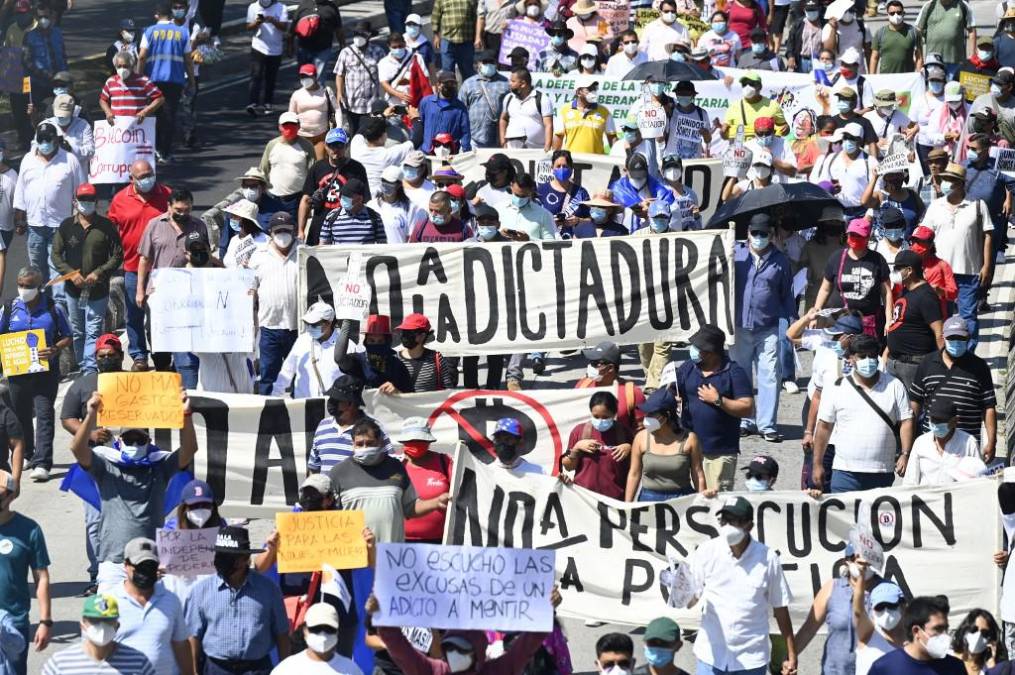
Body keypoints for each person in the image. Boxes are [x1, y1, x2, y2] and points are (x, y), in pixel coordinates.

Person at [71, 388, 197, 591]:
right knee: (107, 621)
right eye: (130, 440)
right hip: (114, 563)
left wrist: (186, 416)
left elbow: (189, 450)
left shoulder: (160, 467)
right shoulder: (106, 467)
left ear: (149, 442)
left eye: (140, 440)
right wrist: (91, 414)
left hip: (150, 560)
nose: (135, 444)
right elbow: (77, 449)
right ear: (120, 442)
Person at [687, 496, 797, 675]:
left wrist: (791, 654)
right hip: (711, 657)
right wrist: (680, 591)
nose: (728, 526)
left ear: (749, 526)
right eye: (725, 520)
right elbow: (691, 599)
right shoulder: (707, 552)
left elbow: (780, 609)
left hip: (750, 660)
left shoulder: (768, 559)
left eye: (735, 521)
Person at [812, 333, 913, 493]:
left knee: (875, 518)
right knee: (842, 518)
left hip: (882, 472)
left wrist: (905, 453)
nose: (868, 361)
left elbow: (906, 421)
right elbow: (824, 427)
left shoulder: (894, 385)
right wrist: (817, 464)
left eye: (872, 356)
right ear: (851, 359)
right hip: (845, 472)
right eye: (862, 356)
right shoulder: (837, 387)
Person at [185, 526, 291, 675]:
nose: (221, 561)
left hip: (256, 668)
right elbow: (193, 636)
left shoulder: (269, 590)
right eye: (219, 555)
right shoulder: (201, 591)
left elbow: (282, 633)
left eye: (229, 558)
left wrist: (286, 670)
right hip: (216, 669)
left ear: (244, 560)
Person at [0, 266, 73, 483]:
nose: (24, 290)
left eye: (29, 286)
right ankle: (28, 454)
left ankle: (43, 462)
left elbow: (67, 335)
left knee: (44, 413)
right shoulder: (10, 308)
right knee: (21, 414)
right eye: (21, 285)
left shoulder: (53, 308)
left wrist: (55, 349)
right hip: (18, 371)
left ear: (39, 287)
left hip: (45, 371)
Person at [330, 418, 447, 543]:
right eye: (359, 444)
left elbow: (410, 508)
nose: (364, 448)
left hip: (392, 555)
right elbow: (327, 516)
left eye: (370, 443)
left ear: (380, 442)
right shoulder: (338, 473)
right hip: (355, 556)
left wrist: (436, 502)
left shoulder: (396, 467)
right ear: (352, 444)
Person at [732, 213, 795, 443]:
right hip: (739, 326)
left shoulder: (781, 260)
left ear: (771, 235)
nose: (758, 237)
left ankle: (767, 425)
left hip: (768, 327)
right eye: (754, 233)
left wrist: (793, 322)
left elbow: (786, 294)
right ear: (748, 233)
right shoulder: (736, 255)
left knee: (770, 376)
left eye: (763, 234)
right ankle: (745, 420)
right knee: (741, 375)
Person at [50, 184, 123, 375]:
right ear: (75, 202)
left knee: (93, 330)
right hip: (73, 291)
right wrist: (71, 274)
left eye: (90, 200)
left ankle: (90, 369)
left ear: (96, 202)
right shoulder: (66, 226)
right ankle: (84, 365)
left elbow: (117, 255)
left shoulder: (106, 227)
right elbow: (56, 255)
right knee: (78, 330)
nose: (86, 204)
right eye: (82, 200)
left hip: (98, 290)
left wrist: (99, 273)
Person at [920, 162, 992, 350]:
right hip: (940, 275)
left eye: (950, 180)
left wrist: (987, 266)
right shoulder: (935, 206)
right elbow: (924, 235)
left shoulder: (977, 205)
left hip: (969, 272)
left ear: (960, 184)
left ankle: (967, 354)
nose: (945, 183)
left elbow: (988, 236)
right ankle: (945, 353)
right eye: (944, 179)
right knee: (941, 317)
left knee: (967, 316)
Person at [107, 160, 171, 371]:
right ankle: (139, 356)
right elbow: (111, 231)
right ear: (131, 179)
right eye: (142, 176)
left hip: (163, 269)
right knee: (134, 315)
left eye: (149, 174)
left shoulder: (167, 195)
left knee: (161, 315)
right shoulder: (119, 200)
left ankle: (162, 354)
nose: (147, 179)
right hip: (133, 268)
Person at [674, 325, 755, 491]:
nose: (693, 351)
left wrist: (718, 400)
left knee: (715, 503)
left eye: (699, 348)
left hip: (718, 452)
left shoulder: (734, 372)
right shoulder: (688, 367)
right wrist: (672, 397)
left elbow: (747, 408)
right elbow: (672, 389)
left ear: (711, 352)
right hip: (688, 448)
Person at [136, 189, 209, 371]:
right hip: (159, 293)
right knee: (157, 335)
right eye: (178, 210)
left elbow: (206, 258)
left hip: (189, 294)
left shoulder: (199, 226)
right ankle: (163, 368)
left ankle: (182, 371)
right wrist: (140, 290)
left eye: (187, 210)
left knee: (185, 338)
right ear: (169, 206)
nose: (183, 214)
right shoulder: (154, 225)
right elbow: (144, 259)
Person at [13, 122, 86, 302]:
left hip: (60, 228)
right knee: (37, 271)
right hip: (35, 227)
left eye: (48, 139)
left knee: (58, 273)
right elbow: (21, 191)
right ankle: (42, 309)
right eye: (41, 139)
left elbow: (81, 194)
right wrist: (19, 219)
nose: (44, 143)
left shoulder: (70, 161)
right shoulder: (28, 160)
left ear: (56, 140)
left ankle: (59, 312)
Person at [909, 315, 996, 460]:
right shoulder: (927, 363)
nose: (956, 342)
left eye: (960, 339)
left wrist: (992, 442)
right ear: (943, 337)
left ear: (968, 338)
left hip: (967, 446)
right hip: (931, 445)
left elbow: (988, 407)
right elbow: (915, 404)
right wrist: (909, 444)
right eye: (952, 338)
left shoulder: (979, 367)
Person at [108, 538, 192, 675]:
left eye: (150, 566)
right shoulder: (109, 601)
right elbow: (95, 649)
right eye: (140, 567)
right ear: (126, 566)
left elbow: (181, 644)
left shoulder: (171, 600)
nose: (145, 572)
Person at [0, 469, 51, 675]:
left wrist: (45, 621)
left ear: (11, 495)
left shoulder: (29, 530)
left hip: (13, 622)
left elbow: (41, 578)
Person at [813, 218, 892, 338]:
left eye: (859, 235)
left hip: (869, 323)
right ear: (847, 235)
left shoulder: (878, 260)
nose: (855, 238)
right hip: (840, 322)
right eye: (852, 234)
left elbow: (886, 293)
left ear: (867, 237)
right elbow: (825, 289)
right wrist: (816, 313)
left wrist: (889, 319)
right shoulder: (836, 258)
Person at [249, 212, 300, 394]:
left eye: (287, 230)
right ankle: (267, 414)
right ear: (270, 232)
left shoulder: (305, 253)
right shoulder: (258, 256)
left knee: (299, 376)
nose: (283, 234)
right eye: (279, 231)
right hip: (269, 327)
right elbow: (250, 291)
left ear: (294, 230)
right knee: (268, 375)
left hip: (298, 328)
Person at [625, 388, 705, 501]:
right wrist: (627, 506)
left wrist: (703, 503)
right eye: (646, 413)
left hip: (681, 500)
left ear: (666, 416)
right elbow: (634, 474)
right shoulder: (640, 438)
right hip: (649, 499)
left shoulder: (690, 439)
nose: (646, 417)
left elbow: (698, 473)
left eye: (652, 414)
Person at [42, 594, 155, 675]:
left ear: (117, 625)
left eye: (108, 621)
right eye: (95, 621)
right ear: (83, 624)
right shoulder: (60, 664)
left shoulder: (138, 663)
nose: (102, 626)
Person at [138, 3, 194, 162]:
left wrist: (139, 78)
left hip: (152, 82)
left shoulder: (149, 32)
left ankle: (152, 150)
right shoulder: (182, 33)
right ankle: (165, 152)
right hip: (174, 81)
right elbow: (188, 61)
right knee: (169, 117)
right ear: (170, 15)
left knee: (152, 115)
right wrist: (191, 82)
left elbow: (142, 57)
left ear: (156, 15)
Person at [308, 375, 395, 474]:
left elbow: (389, 464)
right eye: (331, 398)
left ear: (351, 404)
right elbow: (314, 466)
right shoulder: (323, 425)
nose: (331, 402)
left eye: (336, 399)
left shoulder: (374, 427)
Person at [274, 301, 362, 398]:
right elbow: (286, 372)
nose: (309, 327)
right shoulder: (302, 341)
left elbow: (357, 380)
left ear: (328, 323)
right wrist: (273, 399)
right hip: (303, 407)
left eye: (314, 324)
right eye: (307, 323)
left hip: (332, 409)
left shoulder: (349, 346)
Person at [884, 250, 944, 391]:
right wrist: (887, 353)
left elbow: (939, 332)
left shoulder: (926, 296)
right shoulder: (905, 292)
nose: (894, 272)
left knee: (914, 409)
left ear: (909, 270)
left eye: (898, 268)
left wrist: (945, 364)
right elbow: (898, 324)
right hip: (894, 362)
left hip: (913, 366)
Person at [298, 128, 369, 244]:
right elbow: (305, 200)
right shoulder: (317, 168)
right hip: (319, 227)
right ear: (325, 146)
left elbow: (364, 200)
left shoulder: (357, 169)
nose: (336, 149)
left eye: (340, 145)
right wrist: (301, 230)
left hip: (347, 228)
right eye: (332, 145)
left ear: (346, 146)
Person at [561, 391, 633, 501]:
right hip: (584, 498)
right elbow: (568, 466)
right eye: (596, 416)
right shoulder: (579, 431)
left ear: (614, 414)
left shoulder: (623, 433)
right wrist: (576, 448)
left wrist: (630, 448)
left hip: (615, 500)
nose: (600, 421)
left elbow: (639, 466)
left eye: (605, 417)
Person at [867, 596, 965, 675]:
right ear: (916, 631)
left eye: (945, 628)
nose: (944, 634)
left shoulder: (956, 667)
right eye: (937, 629)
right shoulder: (884, 668)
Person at [903, 398, 982, 486]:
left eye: (941, 421)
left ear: (955, 421)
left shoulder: (969, 443)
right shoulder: (921, 443)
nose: (936, 424)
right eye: (934, 420)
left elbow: (979, 482)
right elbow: (910, 482)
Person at [397, 418, 452, 544]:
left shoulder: (445, 462)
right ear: (403, 441)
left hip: (440, 543)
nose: (416, 444)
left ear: (428, 440)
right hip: (399, 543)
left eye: (420, 440)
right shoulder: (395, 465)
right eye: (412, 440)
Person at [270, 603, 363, 675]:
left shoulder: (351, 670)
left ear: (337, 632)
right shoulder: (287, 669)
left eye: (328, 629)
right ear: (305, 630)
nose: (322, 634)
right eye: (316, 629)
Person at [260, 112, 316, 219]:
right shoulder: (272, 145)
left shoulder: (306, 146)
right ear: (280, 127)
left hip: (296, 199)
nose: (289, 129)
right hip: (272, 198)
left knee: (292, 230)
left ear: (299, 127)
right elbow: (263, 170)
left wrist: (309, 199)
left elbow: (312, 174)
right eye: (286, 125)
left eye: (293, 125)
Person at [854, 579, 908, 675]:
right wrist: (861, 576)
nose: (886, 612)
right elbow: (858, 612)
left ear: (903, 606)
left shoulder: (916, 640)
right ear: (872, 609)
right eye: (880, 607)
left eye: (891, 605)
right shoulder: (867, 634)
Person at [99, 50, 165, 129]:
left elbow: (160, 99)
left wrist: (145, 112)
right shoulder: (110, 81)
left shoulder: (143, 81)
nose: (122, 69)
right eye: (119, 66)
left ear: (132, 66)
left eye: (125, 66)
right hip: (117, 128)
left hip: (137, 127)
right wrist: (108, 112)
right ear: (115, 66)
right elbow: (103, 100)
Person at [459, 51, 510, 149]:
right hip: (474, 138)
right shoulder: (468, 84)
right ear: (478, 64)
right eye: (485, 62)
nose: (488, 65)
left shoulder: (505, 83)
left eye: (491, 62)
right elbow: (461, 110)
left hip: (498, 138)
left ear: (496, 64)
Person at [245, 0, 289, 115]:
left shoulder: (281, 8)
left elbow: (284, 27)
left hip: (275, 49)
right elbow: (248, 27)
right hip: (258, 46)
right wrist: (258, 22)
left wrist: (273, 20)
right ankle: (252, 102)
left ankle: (267, 102)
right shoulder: (253, 7)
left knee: (271, 77)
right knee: (256, 75)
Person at [395, 313, 457, 391]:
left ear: (422, 336)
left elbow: (448, 389)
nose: (404, 335)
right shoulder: (395, 359)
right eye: (403, 331)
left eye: (409, 332)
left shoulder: (436, 358)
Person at [554, 77, 615, 154]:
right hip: (572, 161)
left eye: (594, 88)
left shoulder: (604, 111)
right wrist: (555, 158)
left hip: (597, 163)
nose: (593, 91)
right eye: (589, 89)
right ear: (578, 92)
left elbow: (612, 138)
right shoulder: (564, 110)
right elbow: (558, 137)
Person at [417, 70, 472, 154]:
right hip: (428, 153)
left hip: (450, 154)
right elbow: (420, 125)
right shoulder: (427, 102)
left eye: (452, 84)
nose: (449, 86)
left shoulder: (460, 107)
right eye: (446, 83)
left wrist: (466, 151)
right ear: (438, 85)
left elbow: (465, 132)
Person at [721, 71, 788, 141]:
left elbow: (784, 128)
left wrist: (785, 129)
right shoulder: (733, 107)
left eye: (751, 84)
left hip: (768, 150)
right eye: (744, 84)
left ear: (760, 86)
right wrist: (723, 132)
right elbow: (725, 135)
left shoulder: (773, 106)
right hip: (743, 150)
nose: (747, 87)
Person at [22, 3, 66, 105]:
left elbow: (63, 56)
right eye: (40, 17)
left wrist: (65, 76)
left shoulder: (57, 33)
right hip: (39, 85)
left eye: (46, 16)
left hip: (59, 83)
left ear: (51, 16)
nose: (43, 20)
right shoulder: (29, 37)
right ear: (36, 18)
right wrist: (48, 75)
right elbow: (27, 62)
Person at [318, 178, 386, 245]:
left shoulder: (374, 217)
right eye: (343, 194)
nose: (343, 198)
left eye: (348, 196)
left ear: (360, 198)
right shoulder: (331, 216)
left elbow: (382, 247)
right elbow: (323, 246)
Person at [288, 65, 334, 160]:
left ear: (315, 76)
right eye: (302, 77)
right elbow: (290, 116)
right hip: (301, 137)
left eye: (308, 76)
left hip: (320, 136)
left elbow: (337, 110)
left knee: (320, 163)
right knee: (302, 163)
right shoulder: (296, 94)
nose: (305, 79)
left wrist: (339, 127)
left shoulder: (326, 91)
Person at [291, 0, 343, 85]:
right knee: (304, 78)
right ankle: (305, 97)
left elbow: (338, 29)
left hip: (323, 49)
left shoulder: (331, 7)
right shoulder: (303, 5)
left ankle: (318, 97)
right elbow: (293, 26)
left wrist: (342, 45)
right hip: (304, 49)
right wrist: (290, 46)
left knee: (319, 79)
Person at [500, 68, 554, 151]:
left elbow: (548, 125)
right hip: (512, 150)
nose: (509, 84)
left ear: (523, 84)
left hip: (536, 151)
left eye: (513, 81)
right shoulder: (509, 98)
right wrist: (503, 142)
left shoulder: (542, 99)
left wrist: (547, 147)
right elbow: (503, 119)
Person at [915, 0, 975, 73]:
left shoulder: (962, 5)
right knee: (932, 84)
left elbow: (972, 30)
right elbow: (918, 31)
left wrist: (972, 55)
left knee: (955, 84)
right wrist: (920, 59)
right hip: (933, 62)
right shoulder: (929, 6)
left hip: (956, 62)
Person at [909, 225, 959, 312]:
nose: (916, 245)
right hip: (913, 314)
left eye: (920, 241)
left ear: (930, 244)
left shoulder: (942, 265)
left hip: (936, 314)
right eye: (914, 241)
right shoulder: (907, 263)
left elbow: (953, 293)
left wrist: (940, 290)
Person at [664, 81, 712, 160]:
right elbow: (660, 138)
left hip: (694, 162)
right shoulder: (670, 112)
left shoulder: (702, 114)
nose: (683, 96)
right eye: (680, 93)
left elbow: (708, 140)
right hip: (672, 161)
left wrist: (705, 133)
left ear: (693, 95)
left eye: (686, 94)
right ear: (676, 95)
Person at [870, 1, 922, 73]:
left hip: (907, 79)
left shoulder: (913, 32)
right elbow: (874, 58)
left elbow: (919, 57)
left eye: (899, 12)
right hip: (886, 79)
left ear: (903, 13)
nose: (896, 15)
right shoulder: (880, 33)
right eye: (892, 13)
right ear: (887, 15)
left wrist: (919, 75)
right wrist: (872, 78)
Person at [431, 0, 478, 79]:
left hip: (466, 42)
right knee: (448, 73)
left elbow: (475, 17)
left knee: (468, 73)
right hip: (448, 41)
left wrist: (477, 36)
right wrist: (436, 35)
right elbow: (435, 16)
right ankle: (450, 91)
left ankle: (468, 91)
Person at [952, 610, 1005, 674]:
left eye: (984, 633)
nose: (978, 636)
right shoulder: (949, 657)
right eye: (974, 630)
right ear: (965, 630)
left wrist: (992, 667)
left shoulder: (996, 665)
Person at [220, 199, 267, 268]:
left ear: (245, 220)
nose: (231, 218)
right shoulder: (234, 240)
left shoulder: (264, 240)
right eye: (232, 216)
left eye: (235, 216)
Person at [785, 0, 824, 73]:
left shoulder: (824, 24)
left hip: (819, 61)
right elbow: (790, 42)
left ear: (819, 9)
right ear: (804, 10)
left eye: (814, 10)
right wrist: (791, 56)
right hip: (802, 61)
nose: (811, 13)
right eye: (809, 10)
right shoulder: (798, 24)